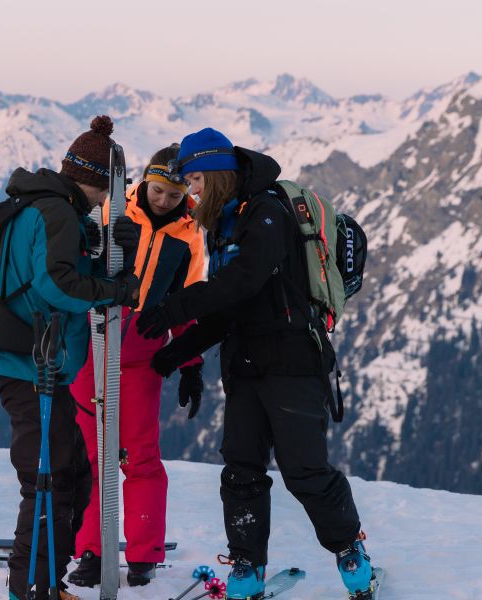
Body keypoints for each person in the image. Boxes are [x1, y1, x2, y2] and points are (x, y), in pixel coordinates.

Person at [134, 128, 376, 599]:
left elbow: (243, 282)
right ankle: (246, 565)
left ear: (218, 173)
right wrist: (176, 355)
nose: (192, 191)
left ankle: (350, 551)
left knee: (305, 470)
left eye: (197, 180)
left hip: (292, 362)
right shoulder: (224, 222)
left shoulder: (266, 212)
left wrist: (174, 308)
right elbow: (230, 309)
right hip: (244, 365)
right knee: (241, 469)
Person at [0, 115, 141, 600]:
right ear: (96, 183)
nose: (109, 202)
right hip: (34, 368)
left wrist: (107, 267)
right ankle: (31, 589)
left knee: (68, 473)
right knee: (46, 482)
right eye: (108, 191)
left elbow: (56, 273)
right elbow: (55, 283)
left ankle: (47, 582)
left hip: (37, 364)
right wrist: (110, 290)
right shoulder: (56, 212)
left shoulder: (47, 208)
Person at [66, 144, 206, 588]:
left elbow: (187, 303)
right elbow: (76, 266)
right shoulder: (112, 211)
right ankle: (90, 549)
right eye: (157, 189)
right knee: (89, 457)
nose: (164, 200)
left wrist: (190, 362)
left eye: (174, 193)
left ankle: (144, 553)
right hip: (93, 344)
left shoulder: (190, 236)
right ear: (144, 181)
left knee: (140, 457)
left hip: (142, 356)